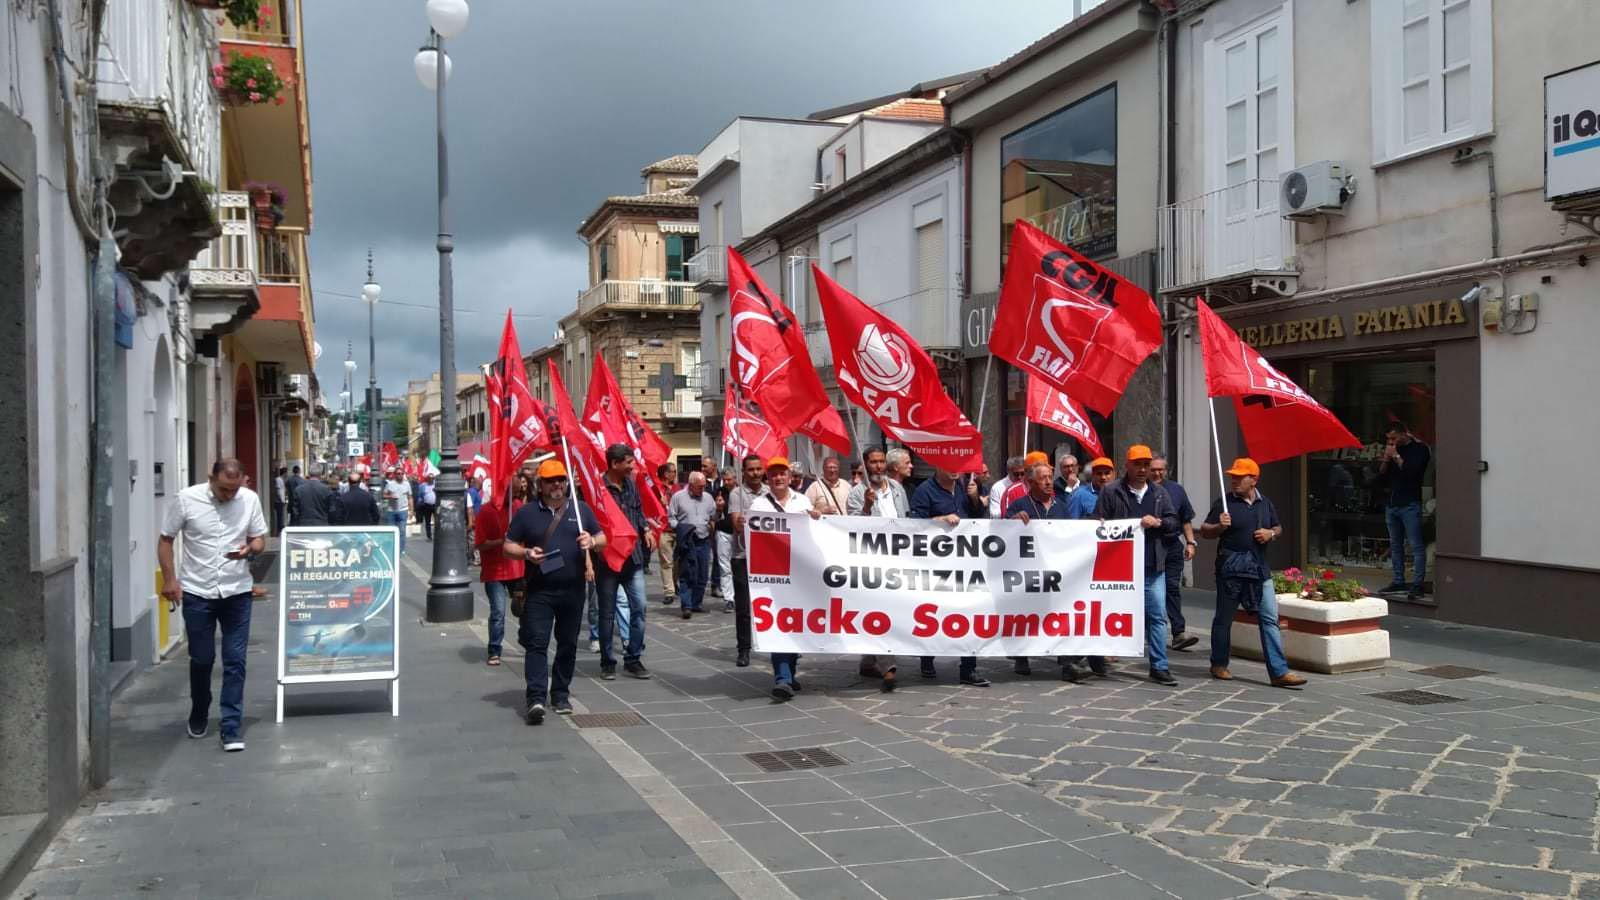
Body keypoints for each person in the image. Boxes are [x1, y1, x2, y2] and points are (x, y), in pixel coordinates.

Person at [157, 458, 267, 752]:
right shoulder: (186, 499)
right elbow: (166, 539)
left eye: (234, 489)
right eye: (223, 489)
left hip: (237, 591)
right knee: (202, 659)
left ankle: (231, 725)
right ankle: (200, 708)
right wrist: (169, 581)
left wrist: (250, 549)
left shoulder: (249, 499)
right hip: (197, 591)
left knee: (235, 661)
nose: (228, 496)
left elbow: (259, 538)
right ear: (211, 479)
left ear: (242, 480)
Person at [503, 460, 604, 724]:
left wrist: (591, 541)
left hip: (572, 590)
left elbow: (603, 537)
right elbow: (508, 545)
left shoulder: (580, 510)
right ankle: (536, 697)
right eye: (551, 480)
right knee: (537, 643)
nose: (557, 484)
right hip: (540, 591)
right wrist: (527, 553)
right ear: (541, 485)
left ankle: (560, 694)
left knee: (568, 644)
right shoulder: (527, 513)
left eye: (560, 479)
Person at [1200, 458, 1307, 689]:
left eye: (1240, 477)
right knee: (1223, 619)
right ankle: (1219, 663)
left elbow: (1278, 527)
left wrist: (1271, 534)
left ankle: (1278, 672)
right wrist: (1220, 526)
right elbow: (1206, 531)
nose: (1234, 480)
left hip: (1259, 570)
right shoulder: (1224, 503)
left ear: (1254, 479)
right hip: (1231, 569)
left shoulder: (1265, 503)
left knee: (1269, 619)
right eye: (1233, 476)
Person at [1094, 445, 1180, 686]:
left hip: (1152, 567)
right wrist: (1100, 524)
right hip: (1119, 568)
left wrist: (1159, 522)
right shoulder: (1111, 491)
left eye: (1146, 465)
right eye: (1138, 465)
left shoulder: (1160, 494)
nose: (1143, 469)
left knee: (1157, 616)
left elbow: (1174, 522)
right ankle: (1099, 655)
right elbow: (1096, 521)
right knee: (1108, 613)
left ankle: (1159, 666)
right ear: (1127, 466)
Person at [909, 463, 990, 686]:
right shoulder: (924, 490)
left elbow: (978, 519)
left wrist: (975, 500)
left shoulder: (967, 487)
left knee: (969, 612)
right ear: (937, 465)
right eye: (949, 464)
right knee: (934, 612)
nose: (955, 469)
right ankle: (927, 657)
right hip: (936, 564)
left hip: (965, 563)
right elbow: (914, 524)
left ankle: (969, 668)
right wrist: (940, 520)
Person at [1006, 461, 1080, 681]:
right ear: (1030, 482)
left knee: (1061, 614)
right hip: (1027, 574)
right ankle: (1022, 656)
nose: (1049, 482)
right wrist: (1012, 521)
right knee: (1027, 615)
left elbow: (1073, 535)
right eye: (1043, 478)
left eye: (1050, 477)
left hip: (1056, 573)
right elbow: (1001, 533)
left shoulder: (1061, 506)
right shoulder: (1019, 505)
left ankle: (1067, 663)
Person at [759, 457, 821, 700]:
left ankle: (790, 672)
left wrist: (816, 519)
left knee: (796, 622)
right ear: (769, 478)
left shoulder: (802, 501)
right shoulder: (760, 505)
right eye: (773, 473)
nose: (778, 478)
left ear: (789, 475)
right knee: (778, 623)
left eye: (782, 473)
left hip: (800, 573)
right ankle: (782, 678)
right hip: (773, 573)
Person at [847, 447, 909, 686]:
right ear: (865, 465)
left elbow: (906, 520)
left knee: (886, 608)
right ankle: (888, 666)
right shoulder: (856, 493)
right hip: (870, 561)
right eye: (873, 462)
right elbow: (850, 528)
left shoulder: (897, 489)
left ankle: (868, 661)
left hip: (896, 559)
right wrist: (864, 507)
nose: (879, 467)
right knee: (879, 610)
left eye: (882, 462)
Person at [594, 444, 653, 680]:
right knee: (607, 613)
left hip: (633, 558)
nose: (632, 466)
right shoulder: (597, 488)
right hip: (607, 560)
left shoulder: (630, 484)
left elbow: (637, 511)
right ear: (615, 463)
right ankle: (607, 661)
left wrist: (646, 528)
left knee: (640, 608)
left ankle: (633, 658)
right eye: (628, 462)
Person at [1150, 456, 1200, 652]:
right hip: (1149, 546)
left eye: (1160, 469)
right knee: (1149, 589)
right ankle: (1148, 628)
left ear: (1166, 470)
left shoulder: (1177, 490)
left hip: (1172, 545)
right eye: (1153, 469)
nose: (1157, 473)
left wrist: (1190, 542)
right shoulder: (1142, 491)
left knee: (1172, 587)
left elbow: (1185, 519)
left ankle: (1178, 632)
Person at [725, 454, 769, 668]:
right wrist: (741, 522)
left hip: (768, 557)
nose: (755, 473)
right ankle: (744, 649)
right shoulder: (736, 493)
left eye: (759, 469)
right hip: (742, 556)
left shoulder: (770, 492)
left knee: (773, 605)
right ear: (744, 471)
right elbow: (735, 524)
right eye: (751, 469)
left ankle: (777, 646)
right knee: (743, 607)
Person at [475, 481, 525, 667]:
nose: (515, 493)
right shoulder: (486, 512)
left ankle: (525, 638)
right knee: (498, 611)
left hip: (517, 569)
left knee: (524, 609)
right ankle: (494, 649)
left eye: (516, 490)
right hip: (494, 571)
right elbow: (480, 544)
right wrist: (501, 542)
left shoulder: (519, 508)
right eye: (511, 490)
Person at [1379, 421, 1431, 599]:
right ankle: (1398, 580)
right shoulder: (1392, 450)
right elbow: (1381, 475)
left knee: (1416, 545)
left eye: (1394, 438)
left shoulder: (1419, 449)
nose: (1392, 442)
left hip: (1410, 503)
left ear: (1403, 434)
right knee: (1395, 545)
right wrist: (1386, 458)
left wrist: (1396, 457)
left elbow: (1412, 473)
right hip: (1392, 503)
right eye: (1389, 439)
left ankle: (1417, 584)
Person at [668, 471, 716, 621]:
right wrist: (680, 528)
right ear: (691, 485)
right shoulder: (678, 497)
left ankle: (696, 602)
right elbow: (671, 517)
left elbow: (713, 515)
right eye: (699, 487)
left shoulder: (708, 498)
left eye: (704, 486)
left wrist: (711, 525)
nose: (702, 489)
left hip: (703, 539)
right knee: (687, 572)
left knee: (702, 574)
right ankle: (686, 605)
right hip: (688, 540)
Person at [713, 469, 737, 613]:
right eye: (724, 479)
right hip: (723, 532)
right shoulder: (718, 493)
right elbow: (713, 516)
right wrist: (718, 508)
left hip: (739, 534)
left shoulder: (741, 492)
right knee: (725, 567)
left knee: (740, 566)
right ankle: (729, 598)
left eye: (729, 479)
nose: (727, 482)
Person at [656, 461, 679, 609]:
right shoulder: (656, 489)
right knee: (666, 562)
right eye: (673, 472)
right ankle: (669, 592)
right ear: (666, 474)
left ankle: (674, 583)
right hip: (664, 529)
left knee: (678, 561)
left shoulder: (679, 489)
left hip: (678, 528)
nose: (675, 474)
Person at [382, 468, 412, 552]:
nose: (400, 475)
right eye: (398, 473)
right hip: (391, 511)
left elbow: (410, 497)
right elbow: (384, 495)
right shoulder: (390, 484)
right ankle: (392, 548)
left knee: (402, 531)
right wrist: (390, 497)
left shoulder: (407, 484)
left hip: (403, 510)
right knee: (391, 531)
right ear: (395, 474)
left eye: (401, 473)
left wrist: (412, 510)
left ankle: (401, 549)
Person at [415, 474, 438, 539]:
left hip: (435, 505)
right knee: (427, 521)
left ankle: (436, 534)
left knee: (437, 521)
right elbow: (420, 496)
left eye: (432, 478)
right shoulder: (423, 486)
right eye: (430, 478)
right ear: (427, 479)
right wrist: (418, 505)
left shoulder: (436, 485)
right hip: (426, 505)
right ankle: (429, 536)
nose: (431, 479)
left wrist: (435, 491)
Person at [272, 466, 288, 535]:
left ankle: (280, 528)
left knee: (281, 515)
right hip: (279, 501)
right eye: (286, 473)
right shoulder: (279, 480)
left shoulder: (281, 479)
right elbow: (279, 491)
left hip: (281, 500)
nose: (287, 474)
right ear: (284, 473)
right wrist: (282, 500)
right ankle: (279, 529)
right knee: (280, 516)